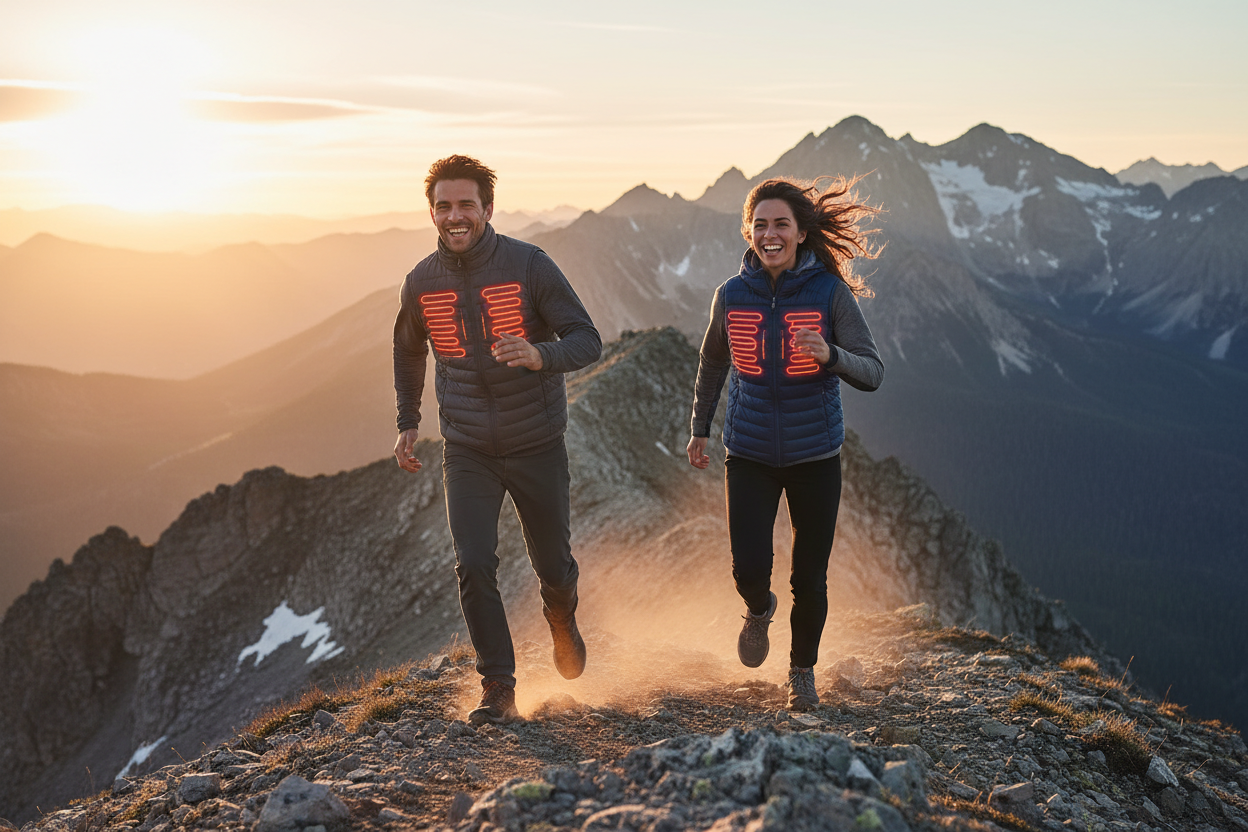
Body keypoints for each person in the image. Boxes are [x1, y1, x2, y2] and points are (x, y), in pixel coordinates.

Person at [393, 155, 602, 725]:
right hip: (466, 451)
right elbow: (409, 348)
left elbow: (587, 340)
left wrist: (541, 355)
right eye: (443, 207)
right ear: (431, 213)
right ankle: (499, 688)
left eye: (465, 205)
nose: (454, 216)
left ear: (487, 208)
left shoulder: (529, 265)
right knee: (474, 562)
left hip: (536, 442)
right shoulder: (421, 281)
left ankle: (561, 619)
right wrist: (407, 419)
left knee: (554, 567)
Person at [686, 176, 884, 711]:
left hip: (815, 456)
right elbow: (713, 361)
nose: (769, 234)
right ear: (748, 232)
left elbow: (873, 371)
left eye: (781, 225)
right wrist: (699, 426)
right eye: (760, 225)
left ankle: (801, 673)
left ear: (800, 233)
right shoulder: (731, 295)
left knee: (809, 575)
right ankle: (757, 608)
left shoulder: (829, 293)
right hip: (747, 451)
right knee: (747, 567)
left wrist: (831, 356)